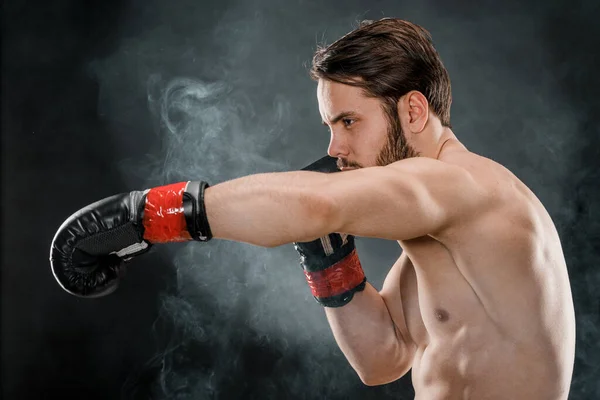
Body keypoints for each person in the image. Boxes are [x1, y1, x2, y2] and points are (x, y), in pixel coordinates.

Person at [50, 18, 576, 399]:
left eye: (349, 122)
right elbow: (384, 357)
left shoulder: (461, 186)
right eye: (330, 126)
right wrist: (326, 252)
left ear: (413, 110)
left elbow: (312, 202)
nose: (334, 149)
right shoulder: (441, 237)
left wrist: (142, 215)